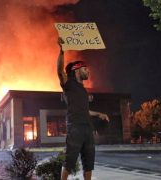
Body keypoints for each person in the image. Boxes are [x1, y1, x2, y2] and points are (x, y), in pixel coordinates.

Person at [57, 38, 110, 180]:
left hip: (87, 128)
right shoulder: (69, 84)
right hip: (75, 127)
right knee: (70, 160)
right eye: (85, 69)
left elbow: (85, 110)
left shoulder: (82, 90)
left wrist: (99, 114)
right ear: (77, 70)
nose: (88, 71)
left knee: (89, 161)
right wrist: (62, 51)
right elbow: (60, 72)